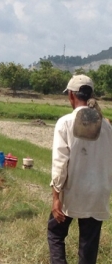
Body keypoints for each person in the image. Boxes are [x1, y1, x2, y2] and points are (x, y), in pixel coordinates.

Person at [48, 74, 112, 264]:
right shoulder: (107, 126)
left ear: (71, 95)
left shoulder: (66, 122)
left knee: (55, 232)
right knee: (88, 245)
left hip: (74, 191)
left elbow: (60, 163)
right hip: (98, 192)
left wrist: (56, 197)